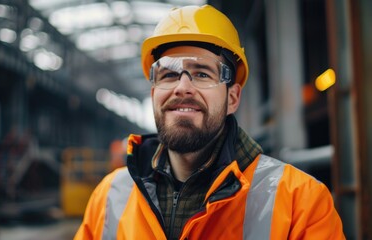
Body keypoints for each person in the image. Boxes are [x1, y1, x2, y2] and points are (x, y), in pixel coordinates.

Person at [74, 4, 345, 240]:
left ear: (233, 98)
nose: (182, 87)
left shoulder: (303, 202)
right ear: (154, 93)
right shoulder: (108, 198)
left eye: (202, 74)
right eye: (168, 74)